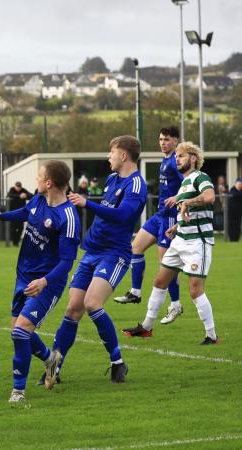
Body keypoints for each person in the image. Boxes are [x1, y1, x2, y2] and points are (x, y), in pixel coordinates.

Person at [0, 160, 80, 403]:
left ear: (49, 183)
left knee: (20, 332)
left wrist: (44, 281)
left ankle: (18, 392)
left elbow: (67, 262)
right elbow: (26, 213)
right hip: (23, 275)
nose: (36, 179)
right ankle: (50, 359)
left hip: (47, 283)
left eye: (39, 176)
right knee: (17, 330)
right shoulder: (39, 199)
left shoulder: (68, 217)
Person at [47, 135, 147, 385]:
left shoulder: (136, 185)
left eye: (111, 152)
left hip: (114, 254)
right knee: (73, 308)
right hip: (91, 251)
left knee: (92, 303)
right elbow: (107, 211)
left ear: (123, 155)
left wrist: (88, 204)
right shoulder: (113, 179)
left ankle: (117, 363)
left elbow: (123, 216)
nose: (108, 157)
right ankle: (54, 368)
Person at [123, 142, 219, 345]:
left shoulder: (200, 177)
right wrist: (176, 226)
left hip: (197, 243)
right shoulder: (184, 184)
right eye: (176, 157)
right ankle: (146, 328)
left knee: (194, 289)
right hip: (181, 239)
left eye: (182, 156)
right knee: (159, 281)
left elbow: (210, 197)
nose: (177, 159)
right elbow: (189, 212)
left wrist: (188, 202)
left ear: (193, 158)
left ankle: (211, 335)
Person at [114, 127, 183, 326]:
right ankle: (135, 292)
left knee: (166, 264)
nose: (163, 143)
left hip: (171, 217)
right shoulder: (164, 159)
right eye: (160, 139)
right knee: (136, 247)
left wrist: (178, 197)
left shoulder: (176, 161)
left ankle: (176, 304)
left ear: (176, 141)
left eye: (167, 139)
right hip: (160, 215)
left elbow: (189, 183)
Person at [7, 181, 32, 246]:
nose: (18, 188)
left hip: (21, 212)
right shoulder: (12, 189)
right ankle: (14, 241)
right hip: (13, 212)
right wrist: (19, 196)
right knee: (13, 228)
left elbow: (31, 195)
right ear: (15, 186)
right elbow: (9, 195)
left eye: (19, 187)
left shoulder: (23, 190)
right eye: (17, 187)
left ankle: (17, 241)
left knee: (21, 227)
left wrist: (26, 195)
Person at [228, 177, 242, 242]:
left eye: (241, 184)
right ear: (236, 184)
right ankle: (232, 239)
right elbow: (233, 195)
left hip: (239, 213)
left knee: (238, 226)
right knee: (232, 225)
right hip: (232, 213)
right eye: (239, 183)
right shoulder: (232, 190)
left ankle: (236, 239)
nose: (240, 185)